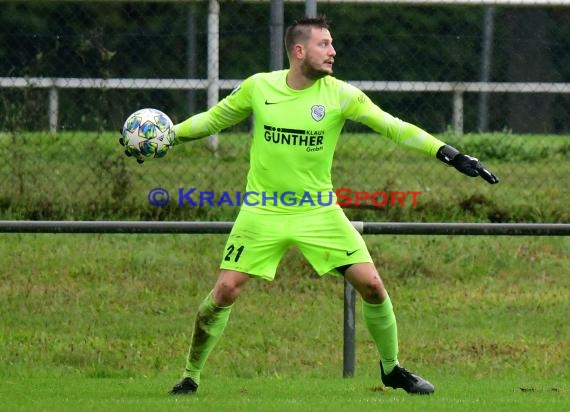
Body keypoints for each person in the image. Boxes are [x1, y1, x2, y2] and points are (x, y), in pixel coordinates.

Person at [123, 16, 498, 395]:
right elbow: (213, 120)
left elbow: (393, 126)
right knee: (225, 291)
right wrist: (170, 137)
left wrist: (448, 154)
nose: (333, 52)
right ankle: (190, 376)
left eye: (332, 44)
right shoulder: (259, 87)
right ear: (299, 51)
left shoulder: (340, 95)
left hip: (319, 211)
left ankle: (392, 369)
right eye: (325, 44)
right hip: (262, 210)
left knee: (372, 286)